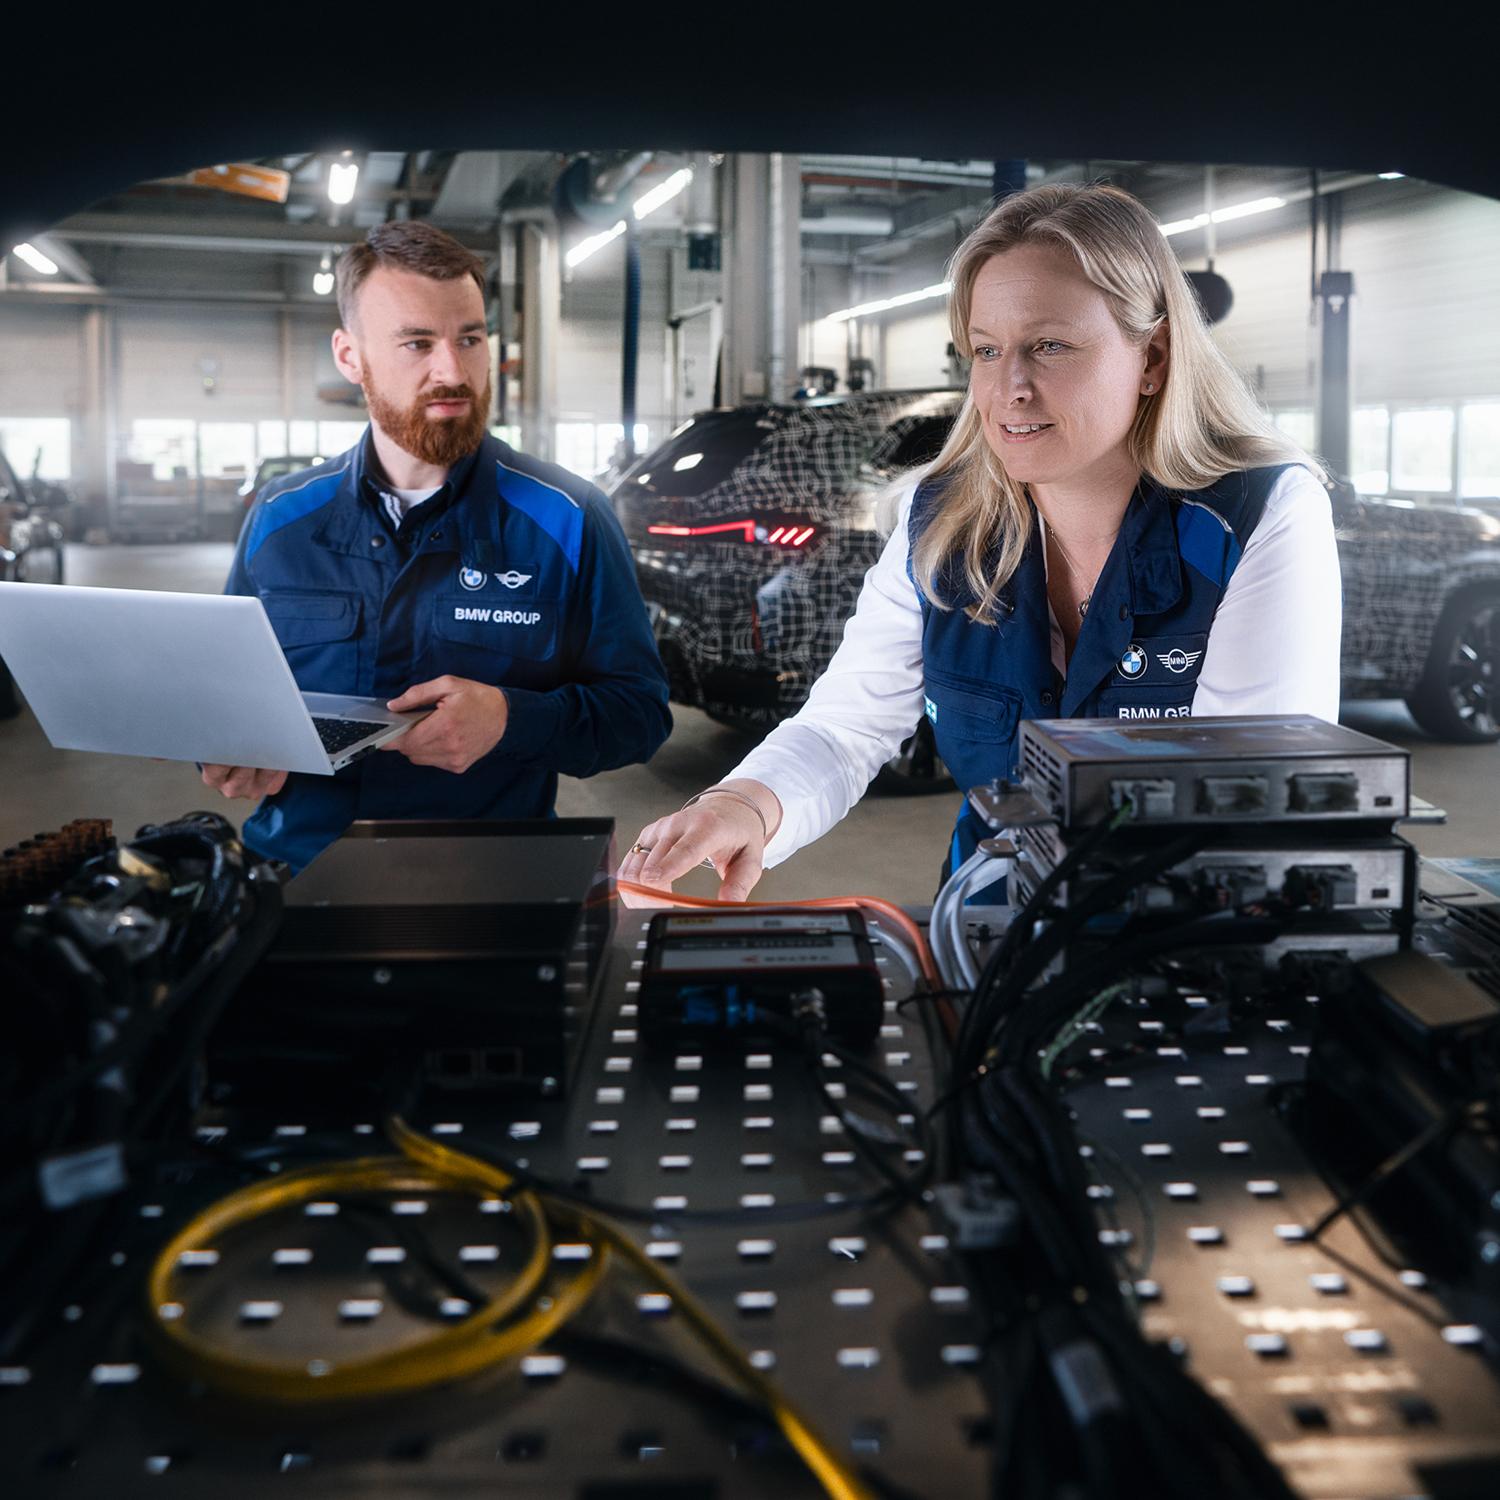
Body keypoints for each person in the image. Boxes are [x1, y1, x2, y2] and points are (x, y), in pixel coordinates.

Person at [621, 182, 1341, 901]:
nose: (1010, 387)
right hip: (987, 932)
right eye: (987, 351)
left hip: (1185, 946)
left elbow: (1253, 800)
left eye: (1049, 345)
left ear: (1152, 358)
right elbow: (846, 727)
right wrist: (746, 802)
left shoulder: (1259, 515)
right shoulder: (940, 520)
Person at [206, 221, 671, 871]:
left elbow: (639, 714)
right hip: (296, 870)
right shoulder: (280, 519)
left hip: (489, 878)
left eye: (469, 339)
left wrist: (512, 719)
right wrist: (227, 749)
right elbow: (226, 694)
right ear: (350, 357)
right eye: (417, 343)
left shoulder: (567, 517)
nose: (452, 371)